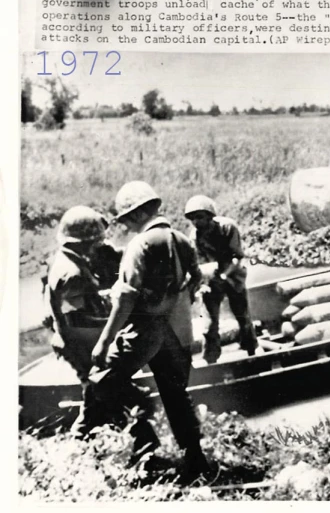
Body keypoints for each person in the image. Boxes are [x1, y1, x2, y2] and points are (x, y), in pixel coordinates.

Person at [88, 181, 211, 481]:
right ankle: (195, 460)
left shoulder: (139, 245)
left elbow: (127, 297)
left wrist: (104, 343)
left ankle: (145, 442)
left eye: (127, 217)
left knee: (101, 379)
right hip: (176, 329)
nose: (126, 224)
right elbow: (194, 280)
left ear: (136, 214)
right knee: (175, 394)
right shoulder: (182, 239)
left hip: (145, 329)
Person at [43, 206, 159, 457]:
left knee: (95, 402)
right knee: (127, 398)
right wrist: (115, 317)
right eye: (95, 241)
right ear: (85, 242)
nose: (98, 247)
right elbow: (78, 321)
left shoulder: (66, 262)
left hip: (79, 344)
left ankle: (82, 451)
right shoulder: (72, 274)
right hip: (84, 347)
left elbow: (72, 312)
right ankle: (146, 454)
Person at [184, 195, 259, 364]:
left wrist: (226, 274)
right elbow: (199, 265)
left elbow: (237, 256)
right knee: (209, 324)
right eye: (193, 218)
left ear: (210, 216)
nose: (196, 222)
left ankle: (251, 351)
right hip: (212, 278)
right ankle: (210, 359)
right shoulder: (194, 237)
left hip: (234, 275)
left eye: (200, 217)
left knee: (243, 317)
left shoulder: (227, 227)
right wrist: (203, 284)